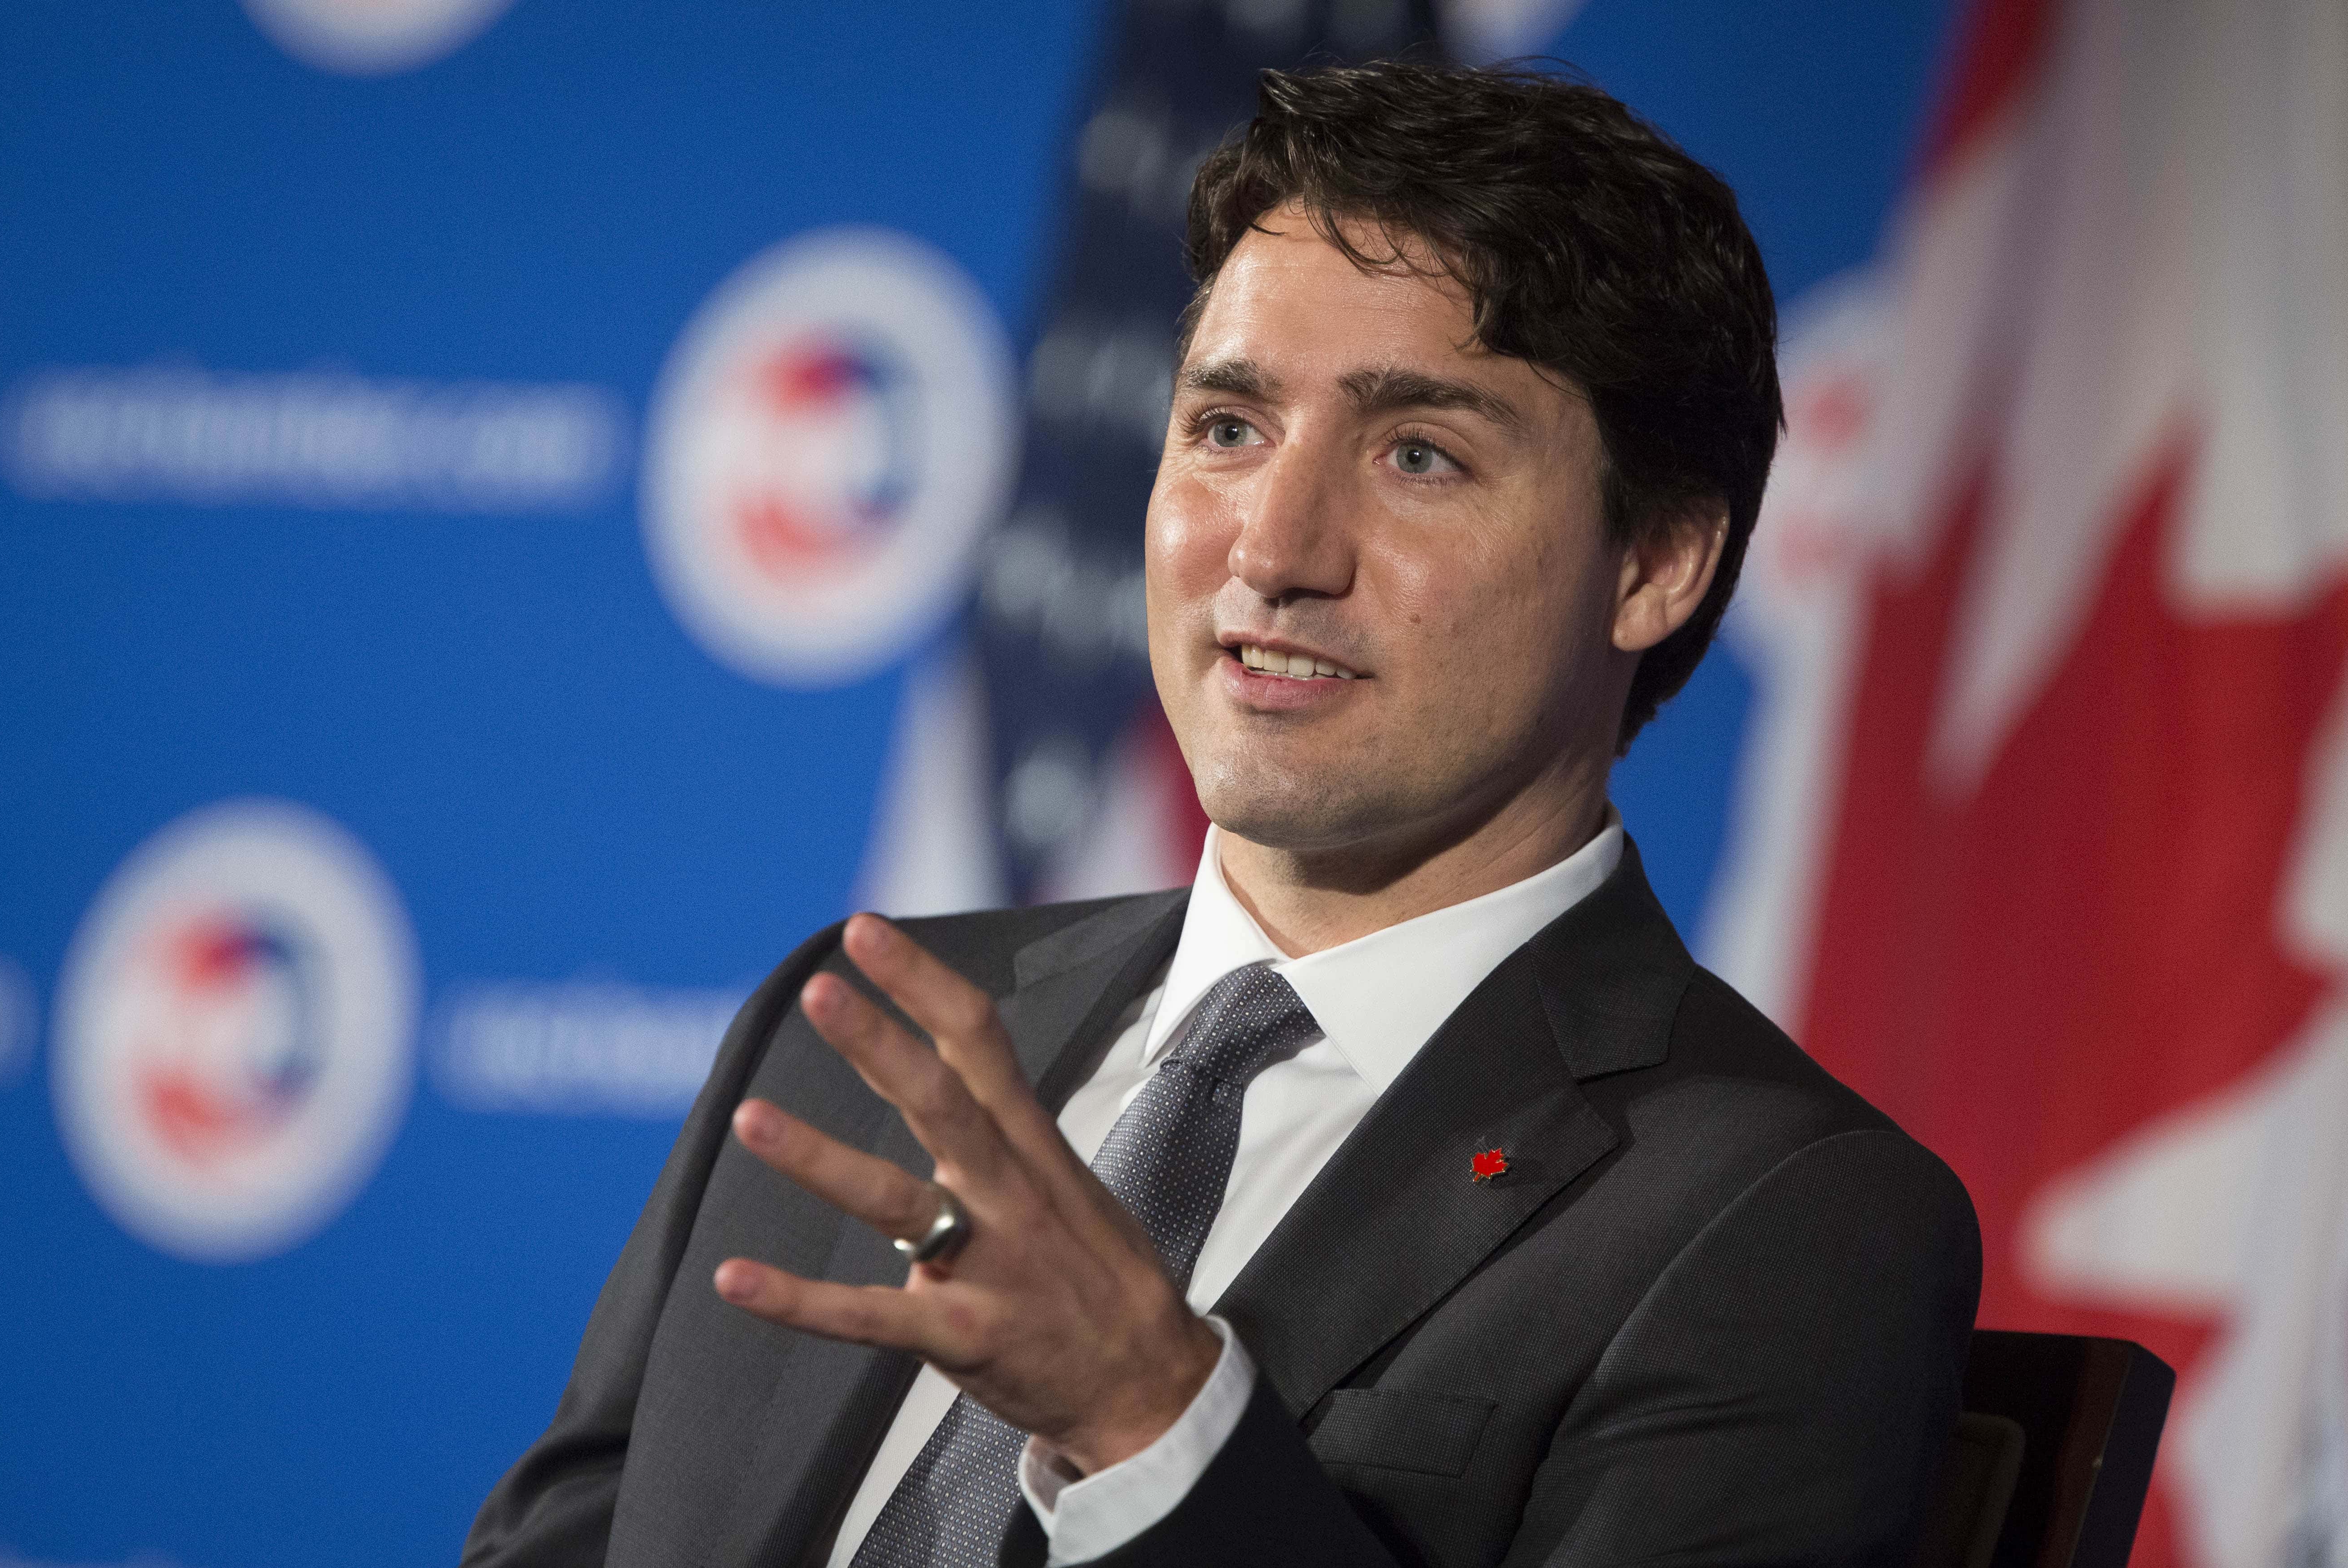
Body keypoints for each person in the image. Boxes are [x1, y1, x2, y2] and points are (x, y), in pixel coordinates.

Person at [465, 59, 1981, 1568]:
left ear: (1653, 564)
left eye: (1418, 455)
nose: (1272, 547)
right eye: (1229, 428)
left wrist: (1151, 1419)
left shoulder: (1786, 1219)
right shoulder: (866, 1029)